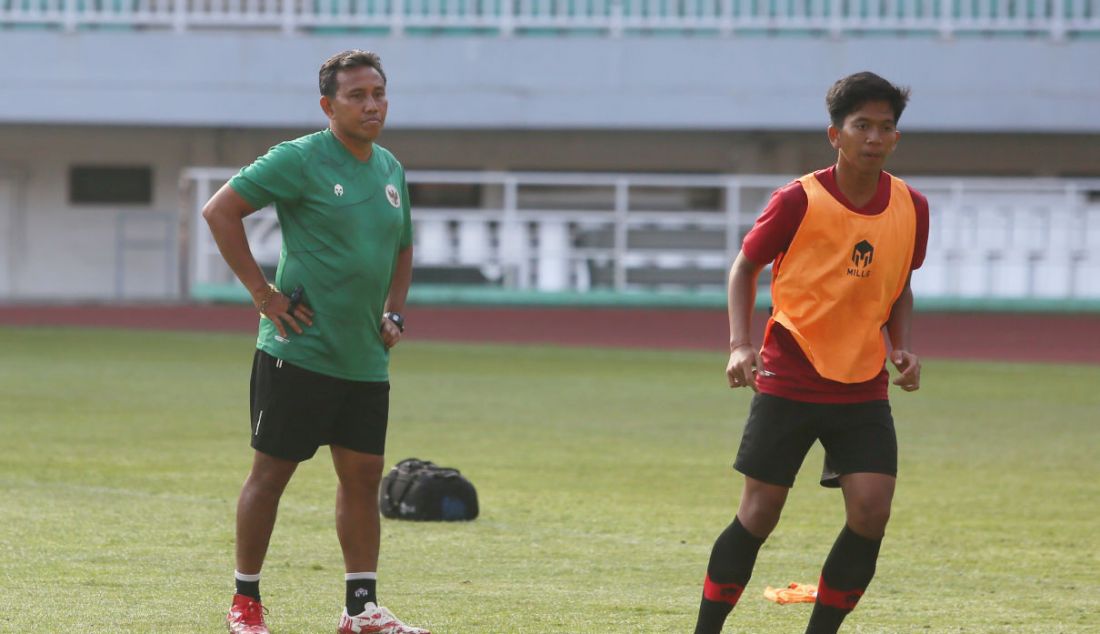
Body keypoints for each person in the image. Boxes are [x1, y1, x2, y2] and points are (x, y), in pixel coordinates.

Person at [693, 72, 928, 634]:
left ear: (896, 138)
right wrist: (739, 344)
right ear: (835, 135)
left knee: (872, 512)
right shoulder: (799, 198)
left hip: (863, 382)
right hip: (791, 375)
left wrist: (903, 347)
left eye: (886, 127)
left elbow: (899, 285)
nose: (874, 137)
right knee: (759, 514)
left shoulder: (912, 206)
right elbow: (745, 267)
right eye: (862, 126)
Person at [203, 50, 428, 634]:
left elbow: (403, 245)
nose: (372, 104)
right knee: (270, 478)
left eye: (378, 92)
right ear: (329, 105)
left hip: (363, 358)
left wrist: (395, 314)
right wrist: (264, 296)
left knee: (361, 478)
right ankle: (245, 605)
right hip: (298, 351)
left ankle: (361, 610)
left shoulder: (389, 168)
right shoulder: (299, 158)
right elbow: (220, 211)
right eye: (357, 95)